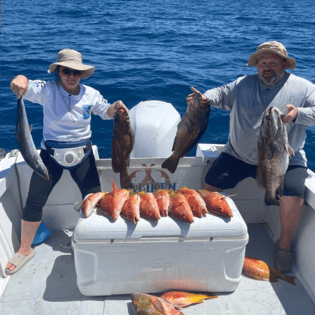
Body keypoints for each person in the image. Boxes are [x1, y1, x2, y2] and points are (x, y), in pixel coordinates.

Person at [187, 41, 315, 273]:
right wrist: (205, 98)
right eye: (262, 62)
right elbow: (220, 94)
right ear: (256, 65)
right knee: (209, 184)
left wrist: (299, 114)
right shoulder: (242, 84)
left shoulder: (304, 88)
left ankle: (283, 246)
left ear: (284, 64)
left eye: (273, 63)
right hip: (239, 154)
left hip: (285, 155)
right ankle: (210, 233)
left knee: (294, 192)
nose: (267, 67)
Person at [6, 49, 128, 275]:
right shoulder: (47, 90)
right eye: (66, 71)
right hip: (49, 155)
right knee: (34, 200)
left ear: (81, 74)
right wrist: (19, 81)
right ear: (58, 72)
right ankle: (24, 249)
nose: (71, 75)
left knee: (95, 200)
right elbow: (25, 84)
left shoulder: (91, 94)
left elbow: (107, 112)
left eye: (76, 72)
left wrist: (116, 108)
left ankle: (97, 241)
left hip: (83, 155)